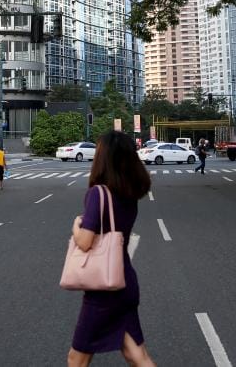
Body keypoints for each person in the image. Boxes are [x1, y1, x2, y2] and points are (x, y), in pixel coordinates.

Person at [68, 131, 155, 367]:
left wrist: (76, 226)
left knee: (76, 359)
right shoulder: (130, 193)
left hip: (105, 290)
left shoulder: (98, 194)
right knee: (137, 355)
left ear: (103, 157)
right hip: (125, 280)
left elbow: (85, 241)